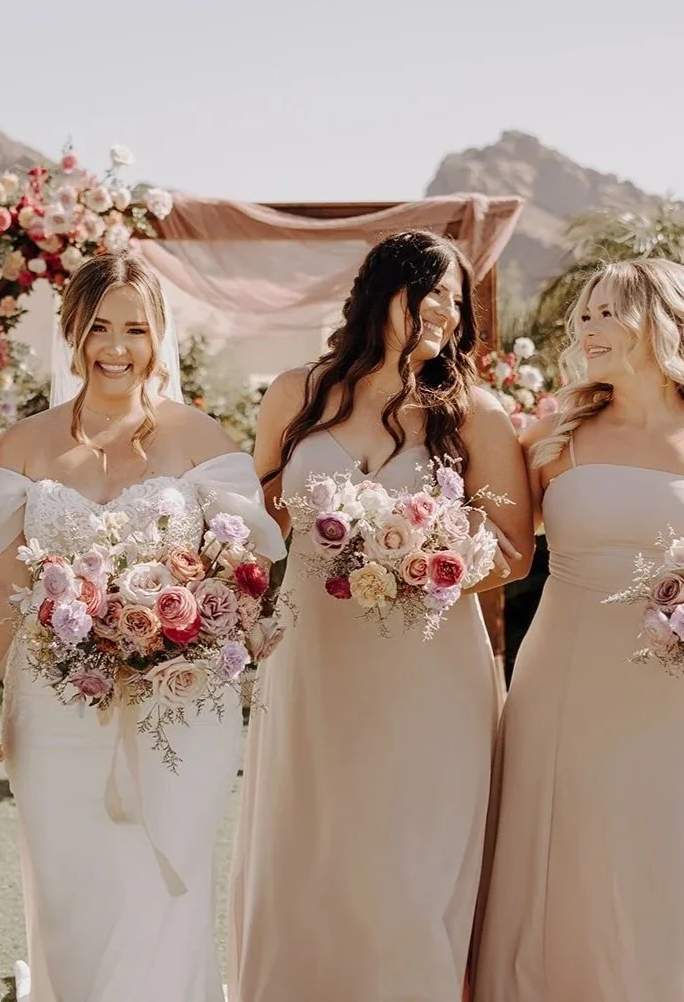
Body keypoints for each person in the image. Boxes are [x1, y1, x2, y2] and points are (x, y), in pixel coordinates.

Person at [0, 253, 285, 1002]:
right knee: (70, 890)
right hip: (54, 706)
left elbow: (248, 565)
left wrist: (191, 622)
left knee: (166, 890)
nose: (117, 345)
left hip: (180, 706)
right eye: (99, 326)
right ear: (72, 331)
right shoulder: (25, 444)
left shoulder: (201, 436)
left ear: (159, 335)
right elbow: (0, 580)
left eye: (136, 327)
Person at [228, 230, 534, 1002]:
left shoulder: (473, 412)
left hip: (426, 668)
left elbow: (515, 548)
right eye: (430, 291)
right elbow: (257, 521)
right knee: (311, 847)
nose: (444, 311)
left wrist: (427, 558)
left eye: (455, 300)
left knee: (410, 862)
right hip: (313, 659)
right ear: (381, 292)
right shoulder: (296, 393)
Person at [473, 258, 684, 1002]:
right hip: (564, 681)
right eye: (583, 314)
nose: (586, 327)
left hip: (683, 696)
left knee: (680, 853)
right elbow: (502, 551)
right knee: (562, 851)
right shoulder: (551, 439)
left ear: (664, 320)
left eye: (607, 312)